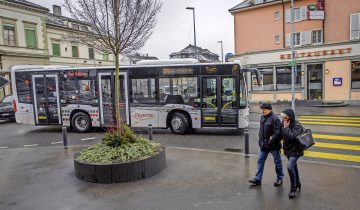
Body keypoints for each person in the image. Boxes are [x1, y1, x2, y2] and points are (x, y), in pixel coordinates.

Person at [249, 103, 284, 187]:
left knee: (278, 162)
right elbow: (261, 131)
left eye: (264, 109)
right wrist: (260, 142)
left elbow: (278, 133)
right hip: (264, 145)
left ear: (270, 110)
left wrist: (270, 142)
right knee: (260, 161)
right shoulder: (262, 117)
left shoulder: (275, 119)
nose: (262, 111)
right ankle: (258, 179)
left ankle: (280, 178)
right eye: (262, 109)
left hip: (273, 146)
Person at [281, 109, 304, 199]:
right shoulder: (284, 122)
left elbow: (291, 136)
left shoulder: (297, 125)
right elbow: (281, 134)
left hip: (296, 150)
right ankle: (297, 183)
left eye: (285, 117)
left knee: (290, 167)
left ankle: (293, 189)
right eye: (283, 117)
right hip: (288, 150)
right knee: (294, 167)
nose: (283, 118)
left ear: (290, 117)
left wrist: (286, 128)